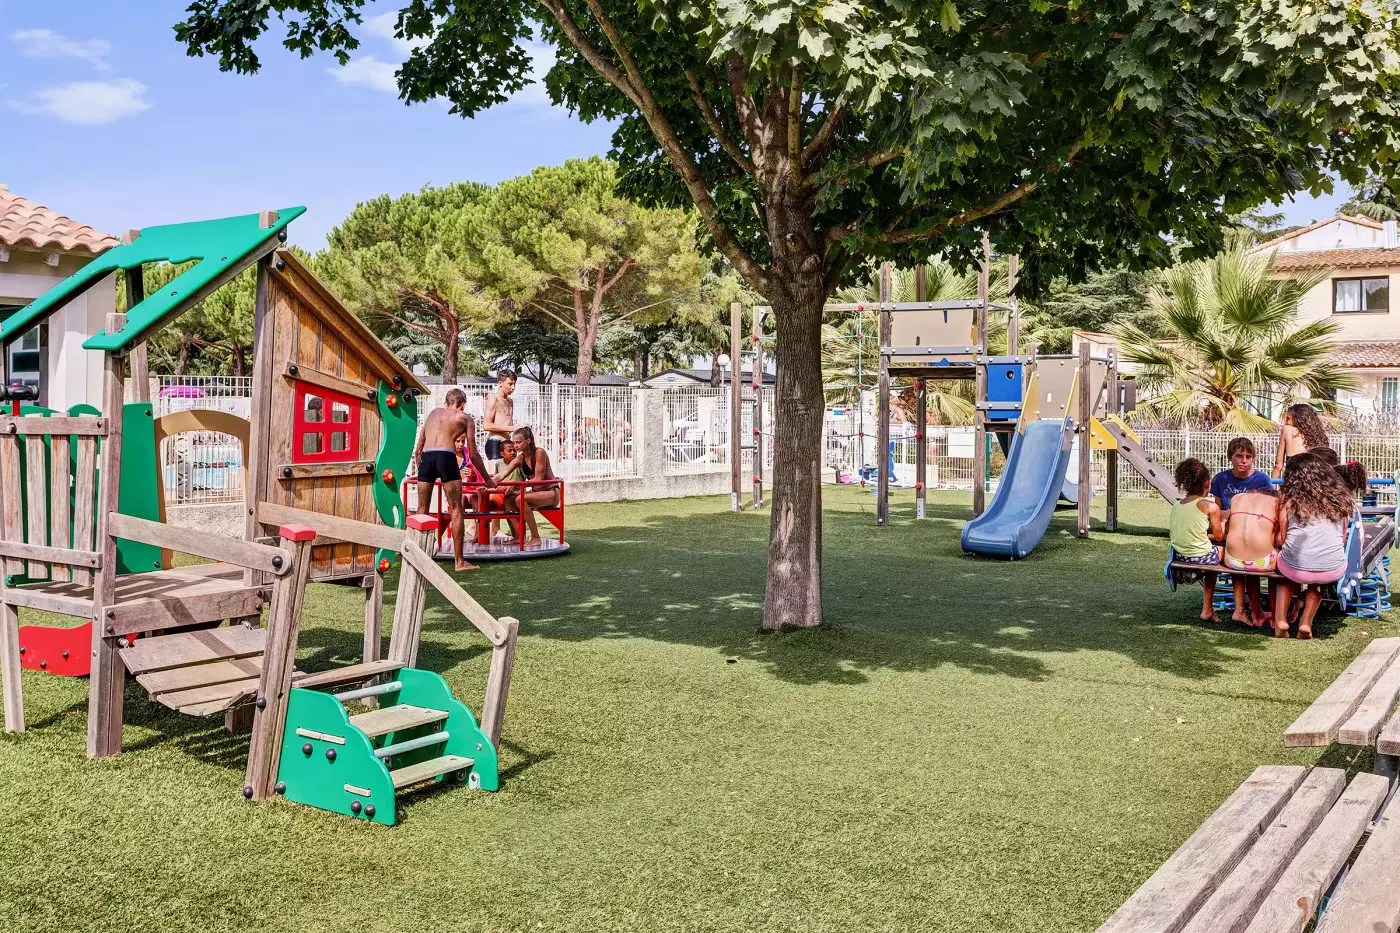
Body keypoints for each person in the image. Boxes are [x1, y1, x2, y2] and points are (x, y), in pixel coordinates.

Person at [1273, 452, 1354, 639]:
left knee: (1285, 579)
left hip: (1295, 569)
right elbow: (1342, 539)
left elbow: (1283, 538)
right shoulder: (1340, 499)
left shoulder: (1287, 500)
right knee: (1314, 586)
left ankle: (1280, 621)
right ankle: (1306, 623)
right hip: (1332, 568)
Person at [413, 388, 495, 572]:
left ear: (446, 402)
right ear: (463, 404)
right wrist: (487, 480)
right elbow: (473, 454)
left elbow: (418, 448)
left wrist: (422, 470)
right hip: (446, 456)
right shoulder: (465, 418)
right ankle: (459, 562)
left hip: (427, 457)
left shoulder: (433, 414)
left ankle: (418, 559)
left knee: (421, 510)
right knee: (456, 510)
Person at [1170, 458, 1225, 623]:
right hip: (1200, 556)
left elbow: (1189, 530)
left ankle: (1208, 608)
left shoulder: (1177, 505)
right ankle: (1209, 608)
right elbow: (1220, 536)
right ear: (1207, 483)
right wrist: (1224, 519)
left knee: (1211, 552)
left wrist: (1205, 535)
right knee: (1225, 553)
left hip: (1179, 556)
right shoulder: (1210, 506)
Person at [1221, 486, 1279, 628]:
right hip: (1263, 562)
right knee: (1279, 568)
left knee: (1246, 565)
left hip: (1233, 560)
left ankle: (1252, 613)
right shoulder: (1276, 502)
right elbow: (1278, 539)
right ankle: (1275, 616)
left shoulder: (1237, 498)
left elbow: (1227, 530)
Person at [501, 426, 559, 548]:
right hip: (535, 493)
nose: (515, 446)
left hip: (551, 492)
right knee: (508, 499)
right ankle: (518, 537)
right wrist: (488, 482)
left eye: (518, 442)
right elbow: (502, 474)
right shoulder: (520, 458)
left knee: (520, 499)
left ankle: (536, 538)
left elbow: (538, 479)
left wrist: (515, 485)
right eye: (514, 443)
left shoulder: (539, 452)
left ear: (528, 441)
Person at [475, 440, 524, 542]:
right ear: (502, 453)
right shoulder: (499, 463)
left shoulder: (520, 463)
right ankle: (479, 533)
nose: (513, 453)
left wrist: (514, 486)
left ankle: (517, 536)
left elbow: (524, 480)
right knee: (484, 505)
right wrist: (488, 485)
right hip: (501, 493)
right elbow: (497, 478)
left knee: (509, 507)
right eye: (509, 451)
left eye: (514, 450)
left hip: (515, 493)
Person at [1210, 437, 1273, 512]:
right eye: (1239, 456)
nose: (1244, 461)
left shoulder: (1263, 480)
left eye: (1248, 457)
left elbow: (1269, 509)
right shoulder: (1220, 479)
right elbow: (1217, 511)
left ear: (1253, 459)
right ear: (1230, 457)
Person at [1273, 403, 1332, 477]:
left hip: (1294, 479)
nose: (1286, 422)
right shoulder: (1320, 437)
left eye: (1288, 419)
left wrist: (1273, 483)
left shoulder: (1287, 430)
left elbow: (1278, 466)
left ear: (1298, 419)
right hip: (1317, 479)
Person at [481, 371, 525, 463]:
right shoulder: (493, 399)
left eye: (514, 384)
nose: (513, 387)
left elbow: (507, 424)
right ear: (500, 383)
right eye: (510, 384)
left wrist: (520, 427)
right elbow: (486, 425)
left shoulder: (510, 401)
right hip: (495, 443)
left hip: (508, 443)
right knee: (497, 471)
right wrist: (511, 428)